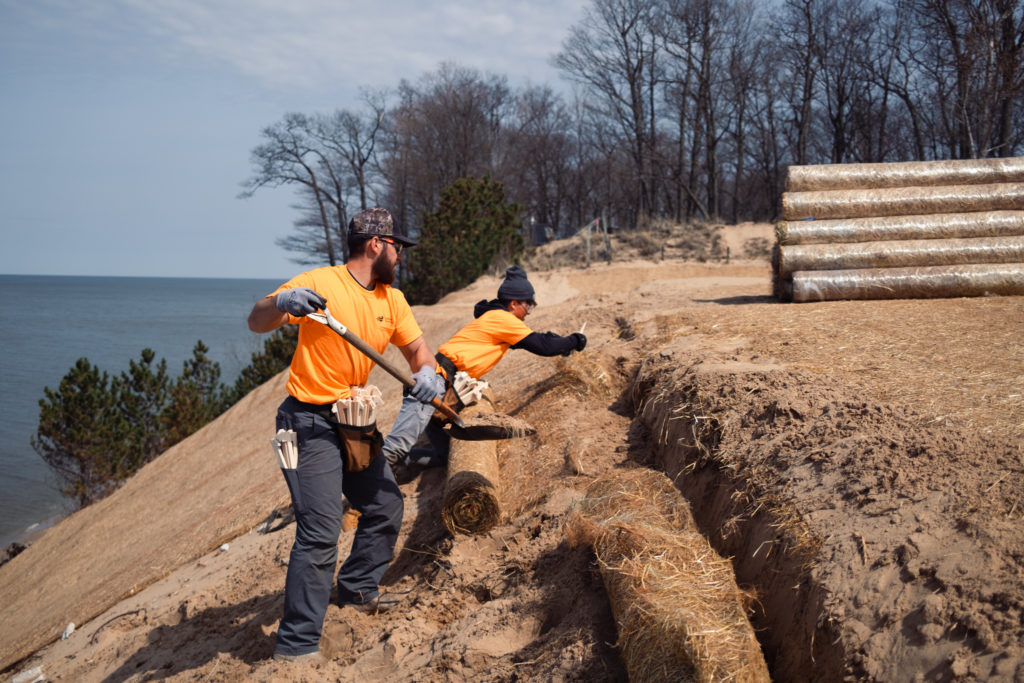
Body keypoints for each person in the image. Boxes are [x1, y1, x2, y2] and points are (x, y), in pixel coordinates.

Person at [247, 207, 445, 663]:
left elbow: (416, 349)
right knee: (319, 531)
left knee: (384, 504)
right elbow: (256, 321)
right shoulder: (320, 285)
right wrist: (281, 303)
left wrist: (429, 372)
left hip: (354, 423)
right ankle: (296, 648)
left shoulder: (391, 301)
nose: (399, 256)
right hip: (308, 422)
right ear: (376, 244)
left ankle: (356, 588)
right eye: (396, 246)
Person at [382, 265, 586, 476]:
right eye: (528, 305)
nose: (528, 312)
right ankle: (375, 470)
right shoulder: (504, 319)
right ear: (514, 303)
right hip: (439, 380)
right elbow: (542, 345)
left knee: (443, 456)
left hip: (443, 379)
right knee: (394, 448)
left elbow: (537, 340)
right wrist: (575, 340)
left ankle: (400, 464)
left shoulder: (495, 319)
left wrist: (560, 343)